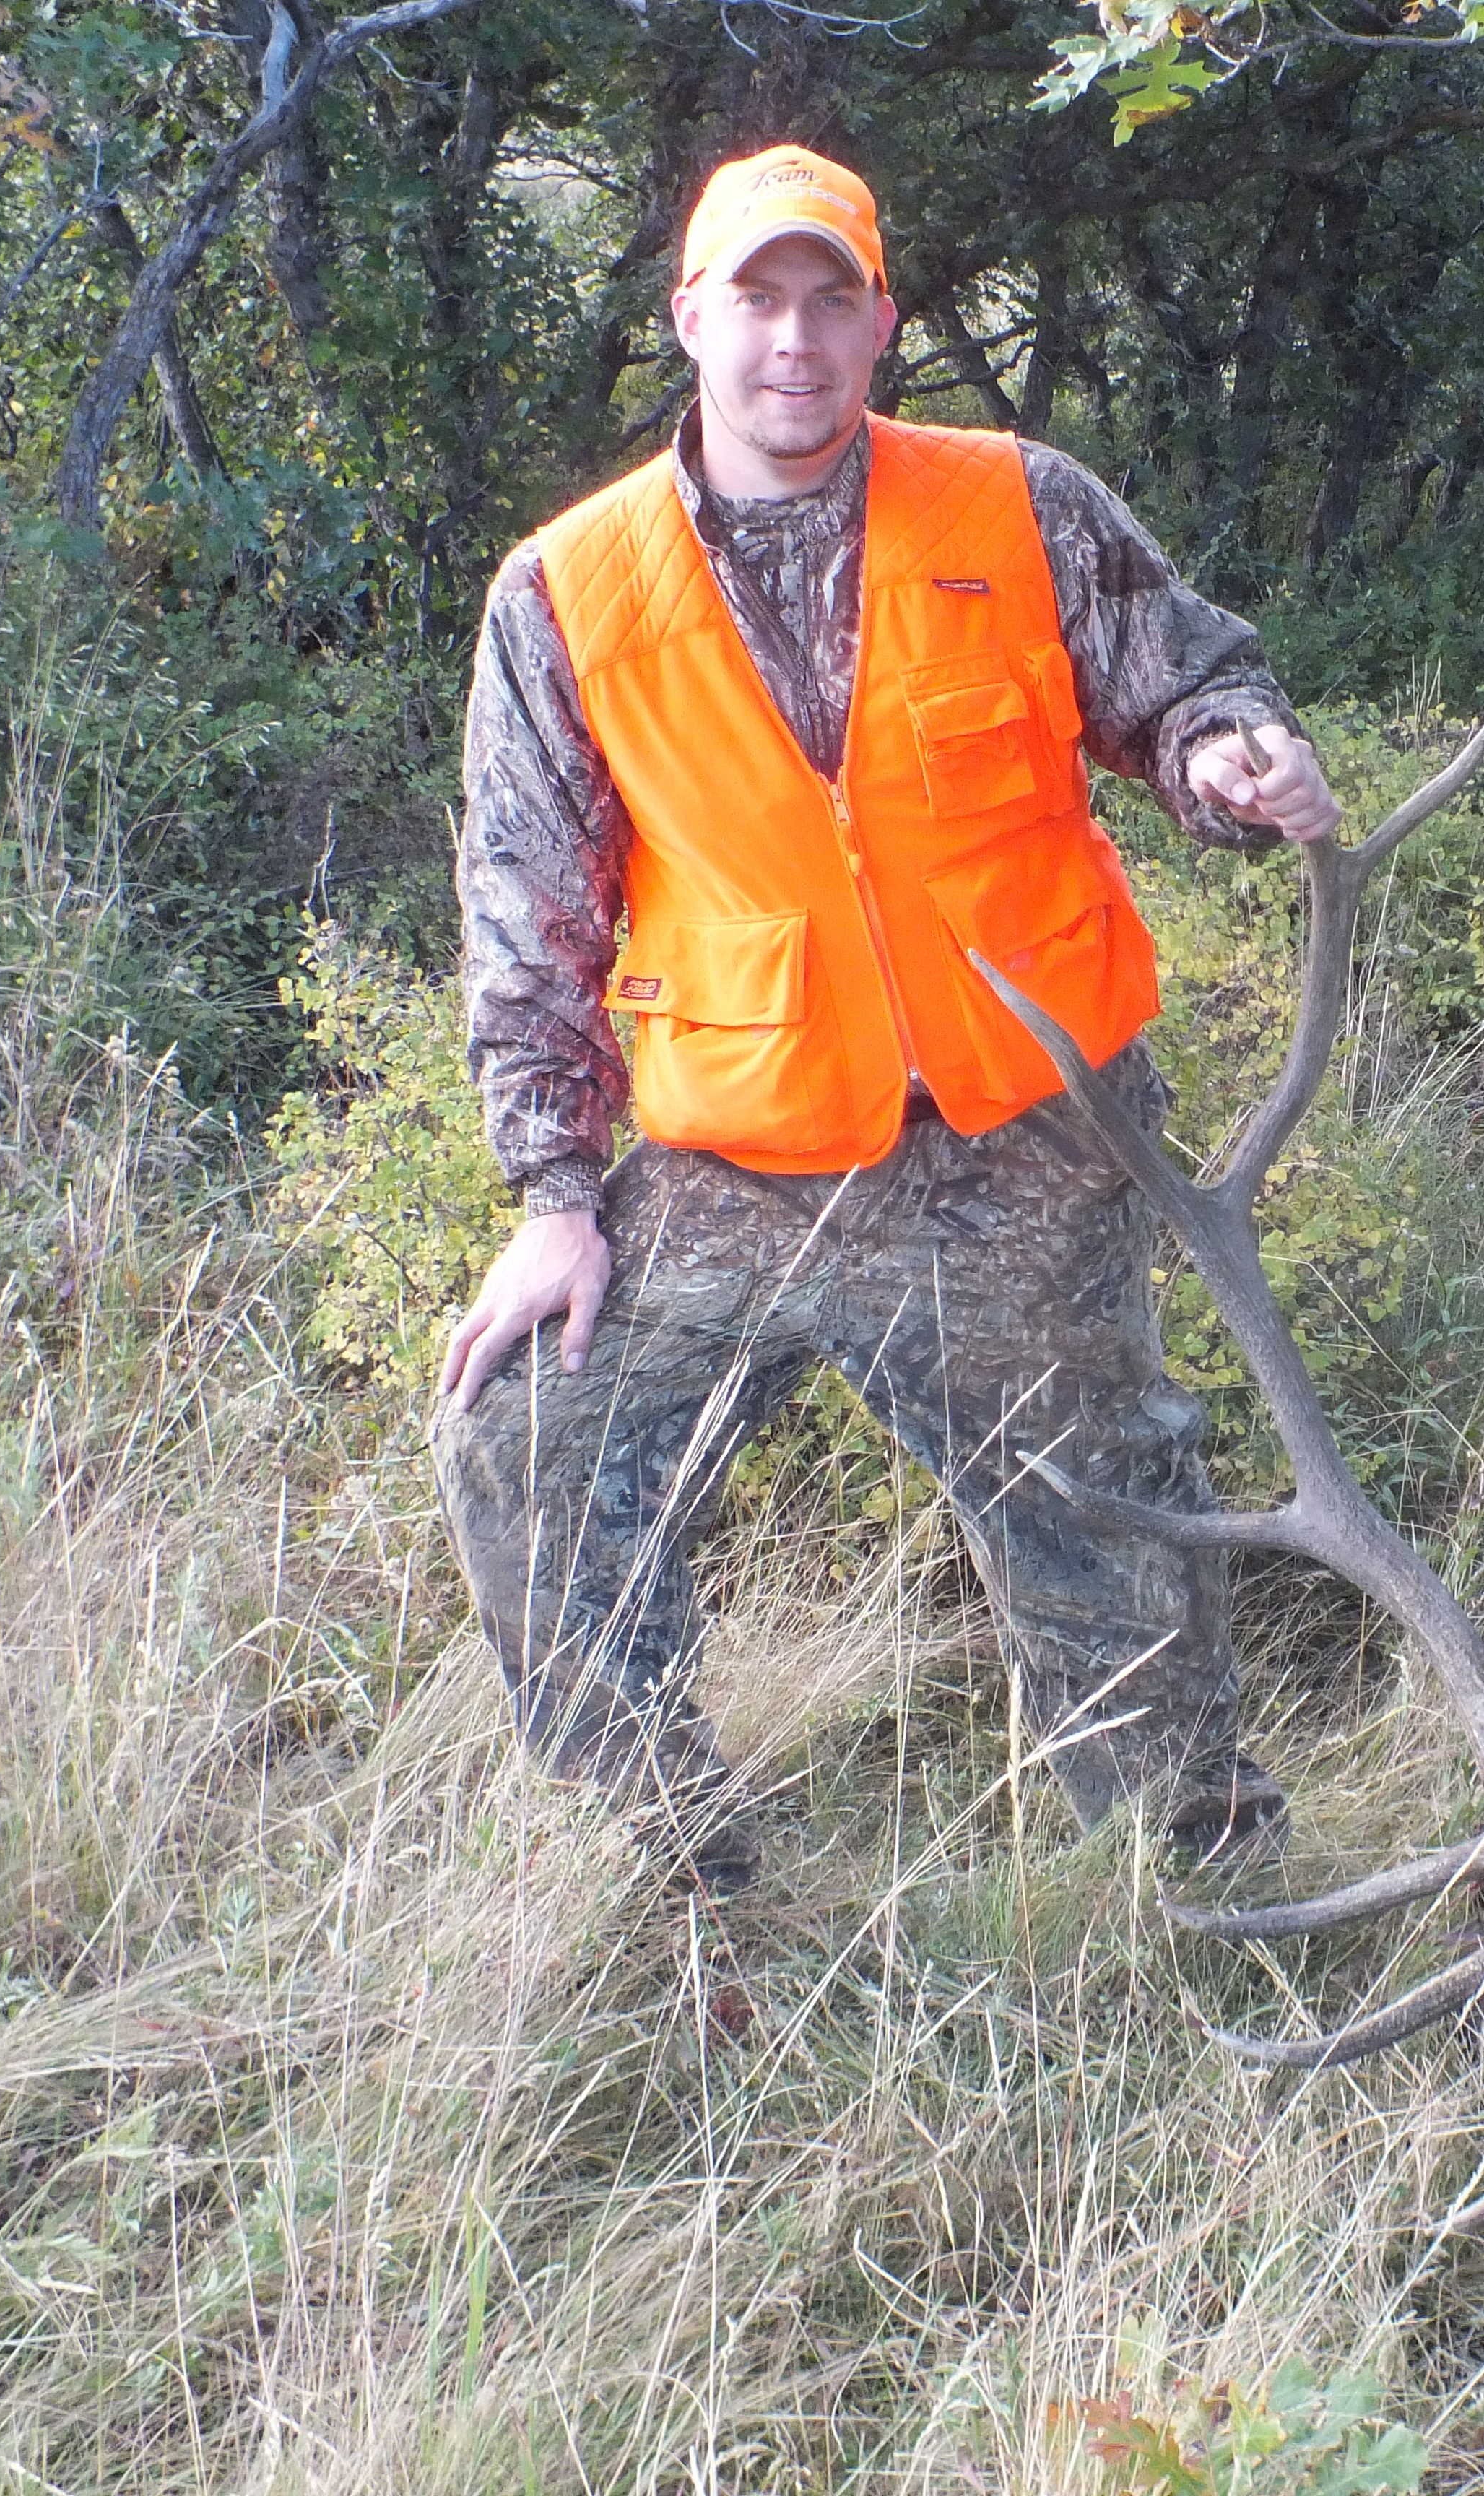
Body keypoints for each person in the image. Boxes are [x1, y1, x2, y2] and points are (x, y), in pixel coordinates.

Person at [432, 143, 1340, 1890]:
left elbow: (1187, 683)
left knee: (1107, 1522)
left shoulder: (1022, 503)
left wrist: (1238, 757)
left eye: (828, 299)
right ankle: (668, 1873)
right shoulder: (566, 592)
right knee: (521, 1435)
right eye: (755, 300)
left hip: (1032, 1140)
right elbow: (527, 912)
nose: (794, 340)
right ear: (689, 319)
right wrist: (553, 1197)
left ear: (883, 322)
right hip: (744, 1162)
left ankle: (1192, 1897)